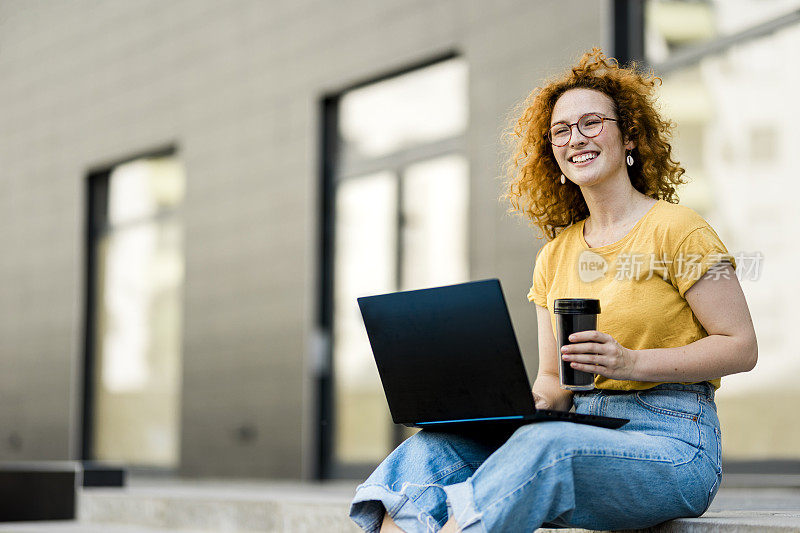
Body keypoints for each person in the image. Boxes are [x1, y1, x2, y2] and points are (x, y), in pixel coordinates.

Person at [348, 48, 758, 533]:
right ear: (553, 154)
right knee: (432, 448)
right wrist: (513, 408)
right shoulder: (554, 256)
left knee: (547, 447)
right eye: (561, 130)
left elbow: (741, 347)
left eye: (591, 123)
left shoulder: (680, 230)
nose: (575, 139)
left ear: (629, 135)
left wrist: (632, 363)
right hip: (579, 427)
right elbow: (553, 381)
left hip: (673, 443)